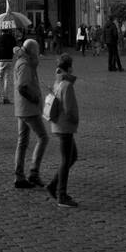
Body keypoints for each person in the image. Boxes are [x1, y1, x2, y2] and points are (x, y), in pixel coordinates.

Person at [13, 38, 48, 189]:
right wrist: (35, 98)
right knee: (43, 138)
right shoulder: (25, 64)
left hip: (23, 108)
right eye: (37, 51)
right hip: (28, 108)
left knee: (23, 141)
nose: (39, 54)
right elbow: (23, 86)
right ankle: (33, 172)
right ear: (32, 51)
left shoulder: (25, 62)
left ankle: (19, 176)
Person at [46, 53, 80, 208]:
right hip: (65, 125)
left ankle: (53, 186)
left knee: (72, 156)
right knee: (67, 160)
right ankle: (61, 194)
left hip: (59, 124)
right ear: (69, 67)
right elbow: (69, 108)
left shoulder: (58, 82)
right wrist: (75, 119)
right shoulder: (67, 85)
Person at [0, 25, 16, 104]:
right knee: (7, 79)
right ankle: (5, 97)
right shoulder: (12, 38)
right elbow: (15, 48)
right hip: (9, 59)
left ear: (1, 30)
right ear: (8, 30)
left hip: (1, 60)